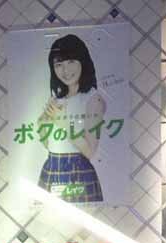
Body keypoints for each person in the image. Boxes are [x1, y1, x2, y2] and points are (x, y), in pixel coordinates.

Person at [35, 33, 107, 203]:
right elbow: (47, 144)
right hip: (51, 166)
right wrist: (43, 125)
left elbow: (89, 151)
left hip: (78, 169)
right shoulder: (58, 98)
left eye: (71, 62)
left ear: (83, 61)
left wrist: (63, 122)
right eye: (59, 64)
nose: (65, 71)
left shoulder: (92, 99)